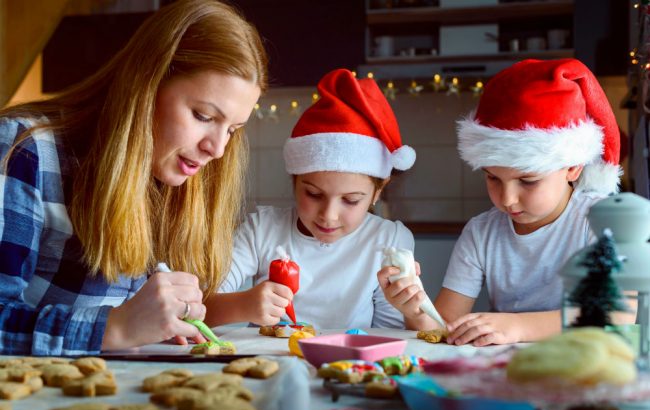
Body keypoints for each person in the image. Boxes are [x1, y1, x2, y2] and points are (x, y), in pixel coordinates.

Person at [0, 0, 267, 355]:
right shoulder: (24, 150)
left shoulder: (173, 178)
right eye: (203, 116)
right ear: (146, 86)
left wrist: (167, 321)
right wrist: (117, 327)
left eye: (232, 129)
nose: (217, 149)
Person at [378, 58, 635, 345]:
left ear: (573, 167)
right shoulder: (481, 233)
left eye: (528, 181)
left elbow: (619, 313)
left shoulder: (603, 220)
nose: (507, 199)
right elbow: (442, 326)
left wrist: (519, 327)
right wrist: (414, 309)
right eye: (492, 178)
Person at [204, 68, 416, 330]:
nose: (329, 215)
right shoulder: (261, 230)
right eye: (314, 194)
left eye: (350, 200)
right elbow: (199, 308)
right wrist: (243, 304)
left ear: (378, 191)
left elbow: (389, 334)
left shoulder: (390, 241)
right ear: (294, 181)